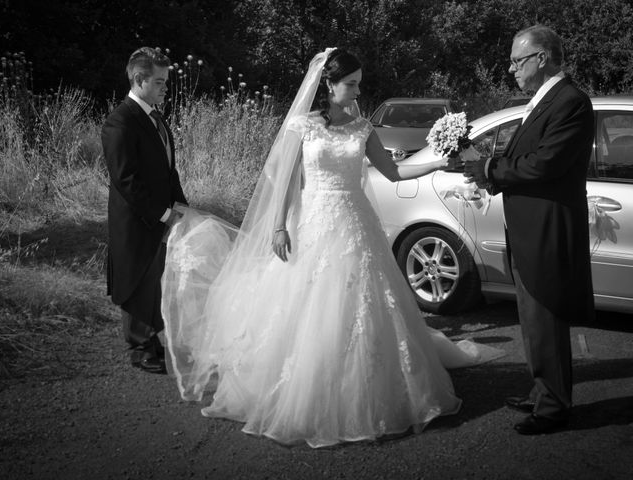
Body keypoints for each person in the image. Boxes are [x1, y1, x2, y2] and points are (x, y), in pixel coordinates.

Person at [161, 48, 502, 448]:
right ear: (328, 84)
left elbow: (393, 172)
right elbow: (287, 179)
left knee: (362, 301)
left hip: (355, 222)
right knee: (304, 306)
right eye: (350, 84)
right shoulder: (302, 125)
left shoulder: (362, 129)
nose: (357, 91)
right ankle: (296, 388)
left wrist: (436, 163)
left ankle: (365, 388)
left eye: (358, 84)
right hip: (312, 222)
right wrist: (277, 227)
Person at [464, 25, 594, 435]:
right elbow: (529, 155)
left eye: (518, 60)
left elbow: (545, 163)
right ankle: (542, 393)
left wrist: (488, 169)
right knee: (531, 317)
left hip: (546, 227)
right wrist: (490, 165)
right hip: (526, 227)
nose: (511, 69)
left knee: (546, 317)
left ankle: (553, 407)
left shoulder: (570, 101)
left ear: (542, 58)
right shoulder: (545, 100)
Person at [102, 47, 188, 374]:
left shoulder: (156, 116)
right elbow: (126, 180)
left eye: (166, 81)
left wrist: (181, 206)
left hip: (160, 214)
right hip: (136, 220)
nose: (165, 87)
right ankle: (140, 350)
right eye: (159, 81)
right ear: (139, 80)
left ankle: (154, 341)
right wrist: (163, 214)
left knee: (156, 280)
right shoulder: (120, 122)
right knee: (137, 279)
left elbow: (168, 171)